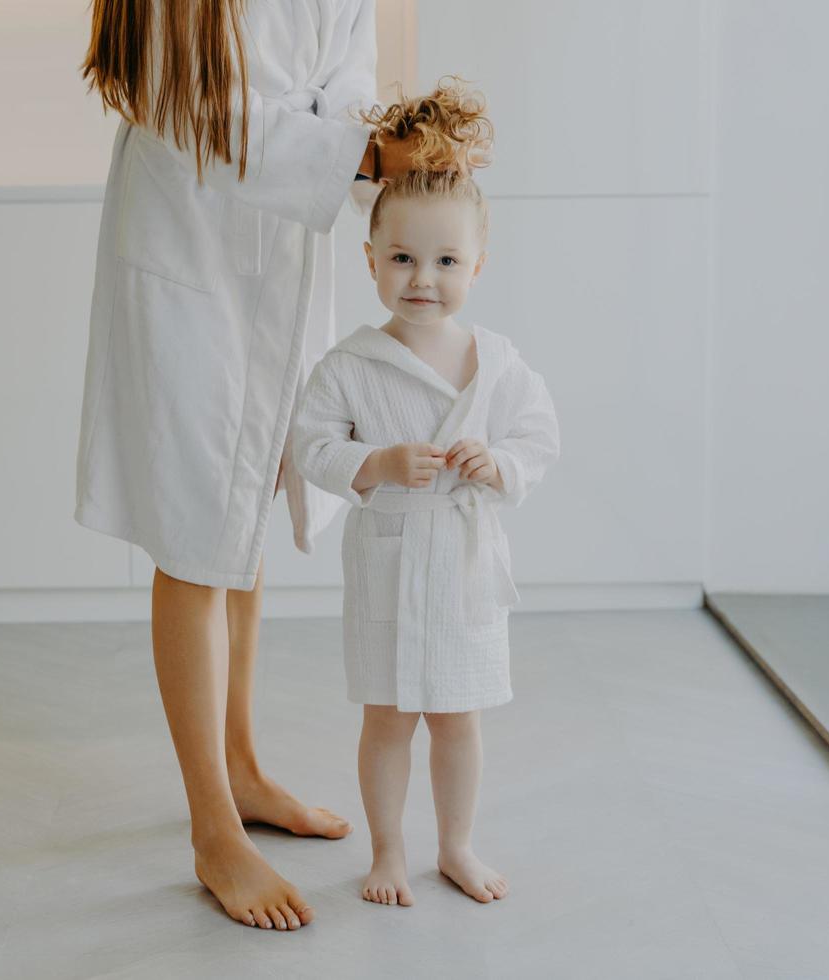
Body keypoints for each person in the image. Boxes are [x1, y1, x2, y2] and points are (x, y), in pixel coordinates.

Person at [75, 0, 461, 931]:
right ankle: (214, 829)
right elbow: (196, 105)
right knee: (193, 532)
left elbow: (350, 92)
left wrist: (402, 163)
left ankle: (242, 770)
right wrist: (364, 159)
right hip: (187, 257)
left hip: (280, 262)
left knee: (241, 520)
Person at [293, 95, 561, 907]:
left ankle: (456, 845)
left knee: (458, 719)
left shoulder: (499, 361)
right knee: (386, 719)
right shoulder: (351, 363)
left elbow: (539, 439)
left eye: (446, 262)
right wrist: (375, 460)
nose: (423, 279)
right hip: (389, 565)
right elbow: (309, 445)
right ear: (370, 258)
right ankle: (384, 854)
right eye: (403, 259)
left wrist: (499, 462)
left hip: (464, 570)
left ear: (477, 266)